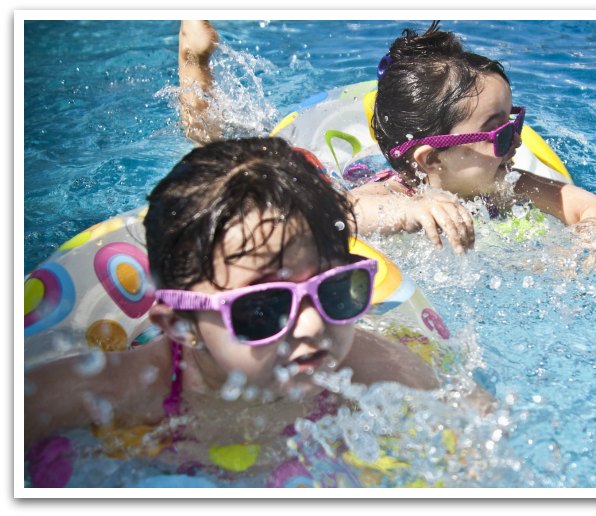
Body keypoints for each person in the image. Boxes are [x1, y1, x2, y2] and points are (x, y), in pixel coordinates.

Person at [24, 137, 439, 459]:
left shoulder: (373, 371)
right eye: (264, 308)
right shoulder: (117, 392)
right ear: (180, 325)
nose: (313, 325)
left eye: (333, 290)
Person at [177, 20, 596, 254]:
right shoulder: (394, 190)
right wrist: (410, 210)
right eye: (498, 134)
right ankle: (194, 61)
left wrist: (586, 247)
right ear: (431, 161)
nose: (517, 144)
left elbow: (593, 209)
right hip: (339, 173)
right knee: (220, 156)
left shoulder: (508, 184)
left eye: (515, 124)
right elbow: (341, 215)